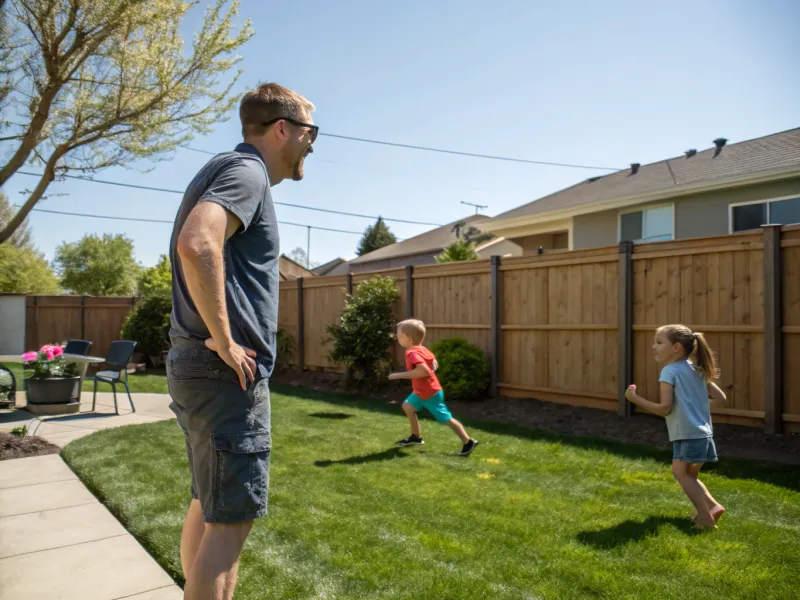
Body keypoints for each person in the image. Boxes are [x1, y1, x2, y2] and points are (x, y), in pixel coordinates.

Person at [167, 83, 317, 600]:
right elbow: (197, 242)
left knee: (209, 507)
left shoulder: (224, 168)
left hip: (196, 368)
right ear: (283, 130)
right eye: (309, 132)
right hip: (225, 375)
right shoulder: (247, 172)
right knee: (230, 525)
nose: (312, 145)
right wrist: (225, 339)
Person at [625, 324, 727, 530]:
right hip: (704, 434)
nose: (654, 346)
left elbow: (664, 408)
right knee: (690, 476)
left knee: (680, 474)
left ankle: (705, 518)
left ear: (676, 347)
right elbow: (721, 398)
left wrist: (634, 398)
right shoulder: (697, 370)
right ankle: (713, 507)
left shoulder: (669, 372)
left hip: (686, 433)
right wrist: (695, 404)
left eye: (659, 342)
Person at [389, 319, 478, 456]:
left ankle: (468, 442)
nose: (396, 336)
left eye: (399, 335)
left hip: (430, 393)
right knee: (408, 407)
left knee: (446, 419)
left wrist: (397, 375)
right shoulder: (423, 349)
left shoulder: (412, 353)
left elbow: (423, 371)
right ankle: (416, 437)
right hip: (421, 391)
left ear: (409, 339)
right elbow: (434, 363)